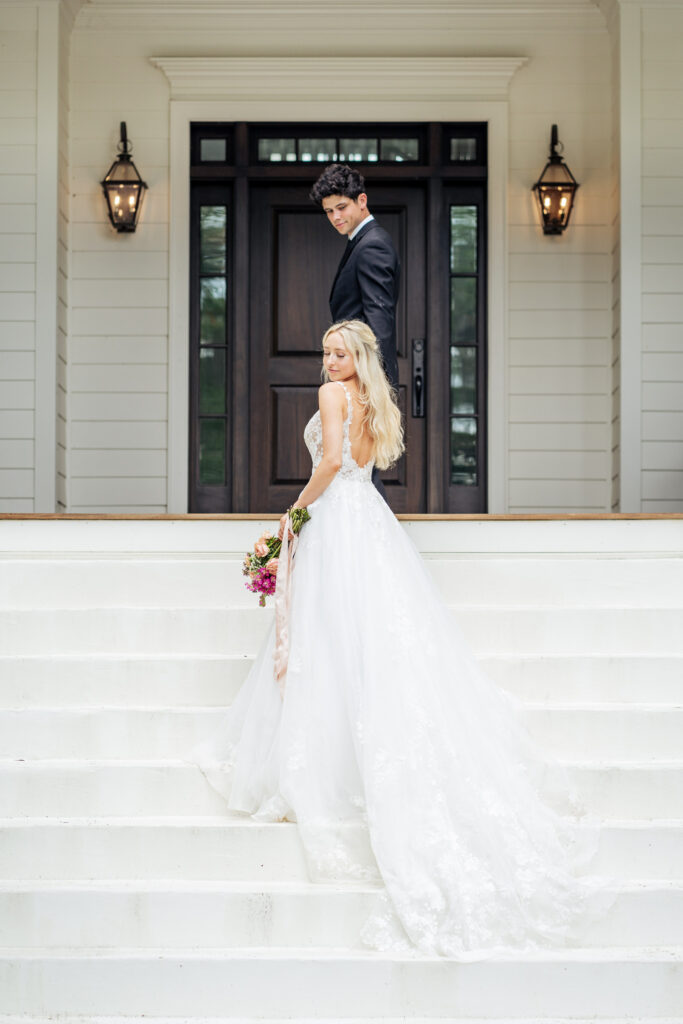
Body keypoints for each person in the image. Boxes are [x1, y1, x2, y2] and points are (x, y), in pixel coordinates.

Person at [192, 320, 612, 960]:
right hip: (371, 523)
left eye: (339, 353)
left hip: (338, 520)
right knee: (365, 638)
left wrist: (290, 518)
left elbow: (331, 463)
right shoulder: (371, 400)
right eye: (326, 352)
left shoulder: (333, 398)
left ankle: (326, 763)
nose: (328, 362)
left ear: (357, 357)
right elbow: (355, 463)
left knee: (333, 637)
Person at [310, 164, 400, 499]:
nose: (335, 217)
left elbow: (379, 324)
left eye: (341, 207)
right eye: (329, 211)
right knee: (356, 478)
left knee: (360, 478)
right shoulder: (359, 241)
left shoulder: (372, 245)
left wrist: (371, 387)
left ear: (362, 200)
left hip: (364, 382)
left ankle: (374, 550)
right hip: (356, 380)